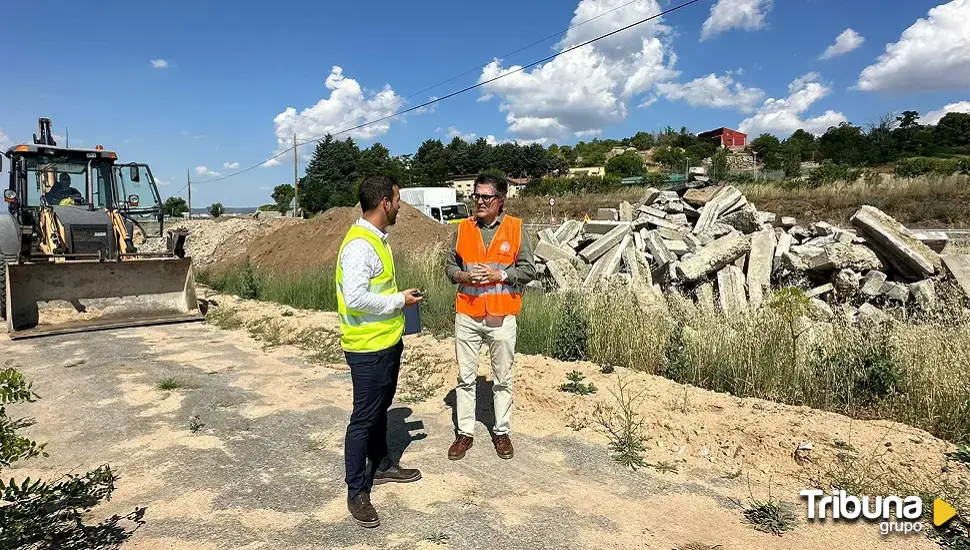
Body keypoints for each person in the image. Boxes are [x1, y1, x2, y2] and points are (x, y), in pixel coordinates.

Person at [335, 175, 424, 528]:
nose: (401, 205)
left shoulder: (376, 239)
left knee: (379, 410)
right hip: (367, 349)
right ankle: (356, 489)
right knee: (363, 418)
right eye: (398, 199)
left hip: (386, 343)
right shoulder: (360, 246)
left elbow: (373, 290)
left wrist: (399, 300)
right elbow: (356, 298)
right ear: (385, 203)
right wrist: (398, 300)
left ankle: (383, 465)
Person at [444, 173, 536, 461]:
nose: (479, 201)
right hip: (468, 314)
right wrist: (462, 274)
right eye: (476, 196)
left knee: (503, 378)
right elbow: (449, 267)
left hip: (501, 316)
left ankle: (501, 431)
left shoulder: (516, 229)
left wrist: (502, 274)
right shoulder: (462, 229)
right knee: (465, 377)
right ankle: (465, 433)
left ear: (501, 200)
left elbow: (529, 270)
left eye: (486, 197)